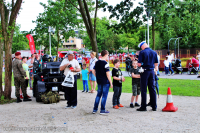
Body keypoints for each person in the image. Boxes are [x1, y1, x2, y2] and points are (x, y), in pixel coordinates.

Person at [137, 41, 158, 111]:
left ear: (142, 46)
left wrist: (140, 63)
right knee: (152, 88)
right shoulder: (154, 52)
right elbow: (156, 63)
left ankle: (143, 106)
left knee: (143, 89)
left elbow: (139, 64)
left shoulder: (142, 52)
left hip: (145, 71)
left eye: (141, 47)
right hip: (152, 71)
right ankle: (154, 106)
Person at [92, 50, 113, 115]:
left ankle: (95, 109)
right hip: (105, 81)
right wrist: (111, 82)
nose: (108, 56)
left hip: (99, 80)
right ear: (106, 54)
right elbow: (108, 74)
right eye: (108, 54)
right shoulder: (106, 63)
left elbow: (93, 70)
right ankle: (102, 110)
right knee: (104, 96)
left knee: (98, 95)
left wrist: (96, 76)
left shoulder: (97, 62)